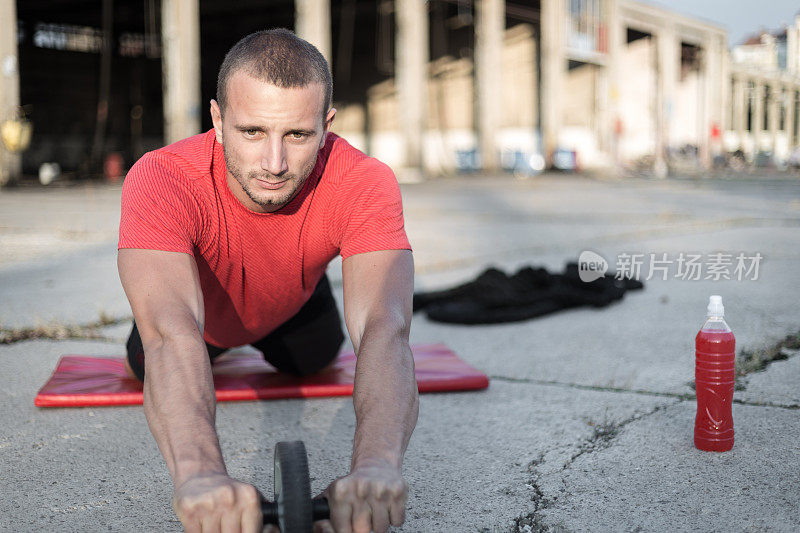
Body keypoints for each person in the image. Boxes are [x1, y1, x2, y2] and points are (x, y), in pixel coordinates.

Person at [117, 28, 418, 533]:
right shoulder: (161, 177)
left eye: (297, 135)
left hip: (294, 306)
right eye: (252, 132)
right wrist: (199, 476)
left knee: (315, 357)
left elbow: (386, 328)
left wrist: (376, 467)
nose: (274, 164)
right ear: (217, 120)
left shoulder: (365, 180)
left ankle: (296, 301)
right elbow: (171, 334)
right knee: (147, 356)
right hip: (201, 321)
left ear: (326, 125)